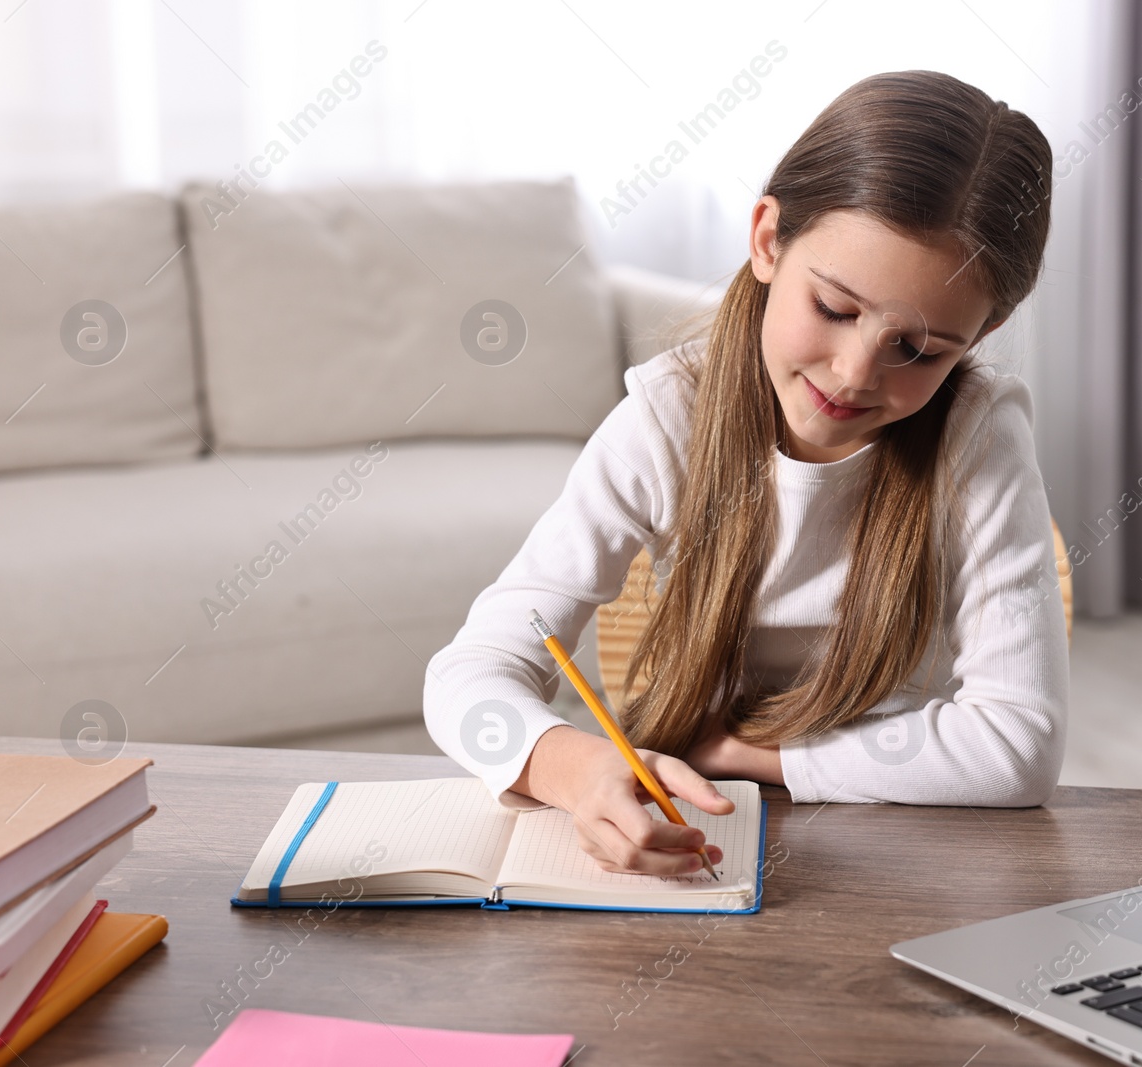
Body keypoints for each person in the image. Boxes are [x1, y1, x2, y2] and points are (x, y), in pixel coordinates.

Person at [424, 70, 1068, 878]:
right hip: (688, 837)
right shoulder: (668, 417)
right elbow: (467, 673)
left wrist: (746, 751)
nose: (854, 372)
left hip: (905, 849)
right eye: (834, 309)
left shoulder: (978, 430)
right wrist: (576, 767)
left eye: (919, 349)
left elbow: (1017, 748)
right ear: (768, 239)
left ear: (983, 331)